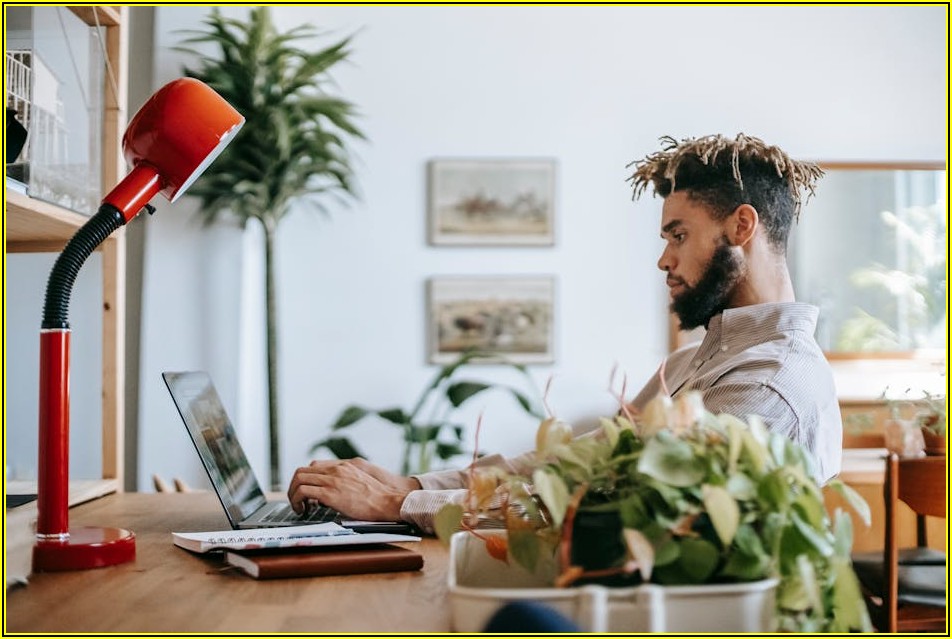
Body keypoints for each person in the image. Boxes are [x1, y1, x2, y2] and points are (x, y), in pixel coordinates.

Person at [288, 133, 843, 534]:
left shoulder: (767, 383)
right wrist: (411, 488)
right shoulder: (694, 362)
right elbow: (573, 466)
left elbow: (610, 504)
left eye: (678, 235)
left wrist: (394, 505)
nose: (663, 260)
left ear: (740, 226)